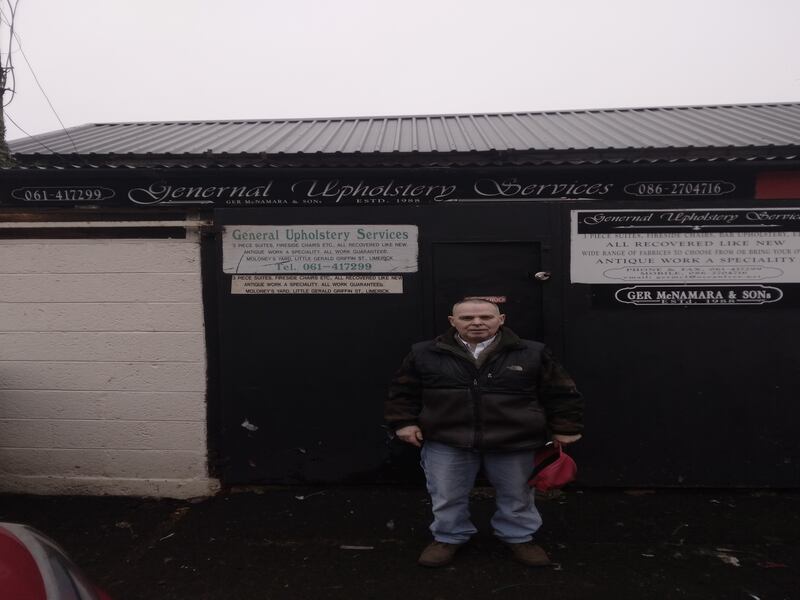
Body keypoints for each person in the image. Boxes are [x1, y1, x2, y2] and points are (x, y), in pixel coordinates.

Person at [385, 297, 583, 568]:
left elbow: (561, 392)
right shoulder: (425, 353)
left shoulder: (532, 352)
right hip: (447, 438)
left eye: (485, 317)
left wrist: (566, 427)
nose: (477, 322)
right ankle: (448, 537)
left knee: (517, 495)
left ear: (500, 320)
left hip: (514, 439)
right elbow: (403, 392)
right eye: (467, 318)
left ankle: (519, 537)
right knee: (446, 494)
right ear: (452, 322)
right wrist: (403, 422)